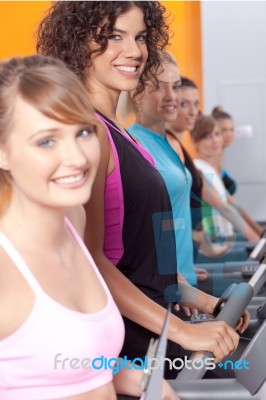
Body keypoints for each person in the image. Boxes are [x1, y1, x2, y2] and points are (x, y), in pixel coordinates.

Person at [37, 0, 249, 376]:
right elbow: (92, 262)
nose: (134, 51)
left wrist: (207, 304)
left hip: (157, 328)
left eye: (140, 37)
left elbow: (141, 265)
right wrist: (184, 331)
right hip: (131, 344)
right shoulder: (89, 132)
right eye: (114, 36)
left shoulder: (119, 133)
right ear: (77, 42)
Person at [191, 114, 260, 244]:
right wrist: (255, 239)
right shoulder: (197, 169)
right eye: (207, 136)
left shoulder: (211, 170)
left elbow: (232, 204)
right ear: (196, 142)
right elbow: (225, 209)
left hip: (224, 237)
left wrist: (260, 232)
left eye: (217, 134)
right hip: (211, 241)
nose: (215, 140)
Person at [212, 106, 264, 238]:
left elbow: (231, 201)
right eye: (223, 130)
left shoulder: (220, 163)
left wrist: (257, 229)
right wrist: (255, 231)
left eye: (231, 129)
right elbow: (227, 203)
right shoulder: (208, 165)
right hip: (215, 232)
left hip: (227, 227)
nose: (229, 134)